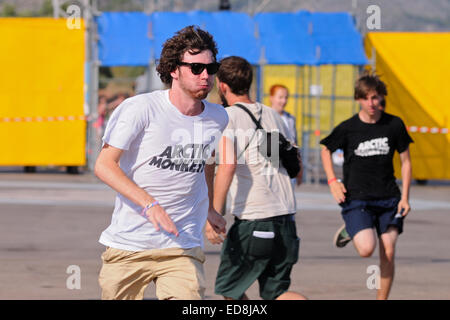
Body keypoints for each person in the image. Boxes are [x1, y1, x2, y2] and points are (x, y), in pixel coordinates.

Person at [94, 25, 228, 300]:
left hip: (183, 246)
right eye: (196, 68)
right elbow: (104, 165)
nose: (206, 76)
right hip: (130, 244)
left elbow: (206, 163)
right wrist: (150, 204)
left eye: (211, 68)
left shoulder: (218, 117)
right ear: (173, 70)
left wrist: (211, 209)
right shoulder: (140, 109)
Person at [206, 56, 307, 300]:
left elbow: (227, 165)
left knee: (230, 290)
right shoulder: (273, 115)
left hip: (255, 220)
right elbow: (292, 166)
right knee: (276, 294)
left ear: (222, 86)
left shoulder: (228, 117)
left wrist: (214, 214)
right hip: (286, 221)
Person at [320, 72, 413, 300]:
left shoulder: (394, 125)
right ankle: (351, 228)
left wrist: (405, 198)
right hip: (357, 199)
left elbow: (406, 162)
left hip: (388, 198)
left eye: (376, 98)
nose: (372, 103)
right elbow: (326, 149)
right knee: (366, 250)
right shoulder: (348, 128)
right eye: (367, 98)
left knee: (388, 252)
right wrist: (333, 181)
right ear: (358, 99)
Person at [269, 84, 302, 185]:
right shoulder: (265, 116)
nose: (283, 101)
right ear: (271, 98)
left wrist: (299, 166)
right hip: (271, 167)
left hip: (287, 166)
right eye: (280, 97)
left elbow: (294, 143)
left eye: (286, 97)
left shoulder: (290, 119)